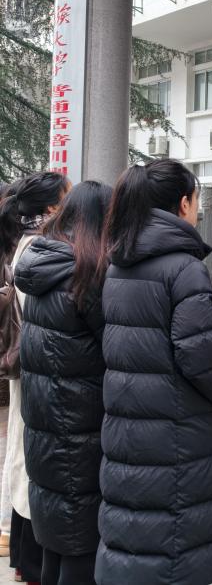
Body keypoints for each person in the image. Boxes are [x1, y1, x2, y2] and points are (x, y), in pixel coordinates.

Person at [98, 159, 212, 585]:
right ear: (183, 204)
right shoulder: (183, 267)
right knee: (175, 541)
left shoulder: (119, 261)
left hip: (128, 422)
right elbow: (202, 355)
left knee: (138, 531)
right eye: (196, 200)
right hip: (178, 428)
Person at [15, 181, 111, 585]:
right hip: (80, 422)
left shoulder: (42, 266)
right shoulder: (87, 275)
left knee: (58, 524)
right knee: (80, 530)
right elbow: (112, 348)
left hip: (44, 418)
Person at [0, 171, 70, 585]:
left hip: (28, 367)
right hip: (35, 370)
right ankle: (28, 561)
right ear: (52, 207)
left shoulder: (27, 246)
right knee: (28, 460)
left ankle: (22, 557)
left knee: (24, 456)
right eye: (67, 196)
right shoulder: (40, 250)